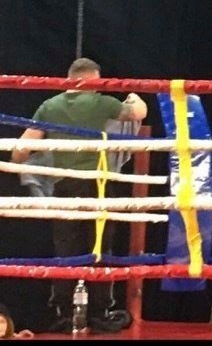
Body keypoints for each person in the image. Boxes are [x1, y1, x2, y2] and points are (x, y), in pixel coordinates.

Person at [10, 57, 147, 334]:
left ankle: (63, 312)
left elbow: (20, 150)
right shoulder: (101, 102)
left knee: (66, 249)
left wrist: (26, 166)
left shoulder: (49, 105)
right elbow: (139, 113)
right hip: (98, 184)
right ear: (93, 78)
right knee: (99, 247)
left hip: (64, 186)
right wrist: (135, 96)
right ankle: (99, 312)